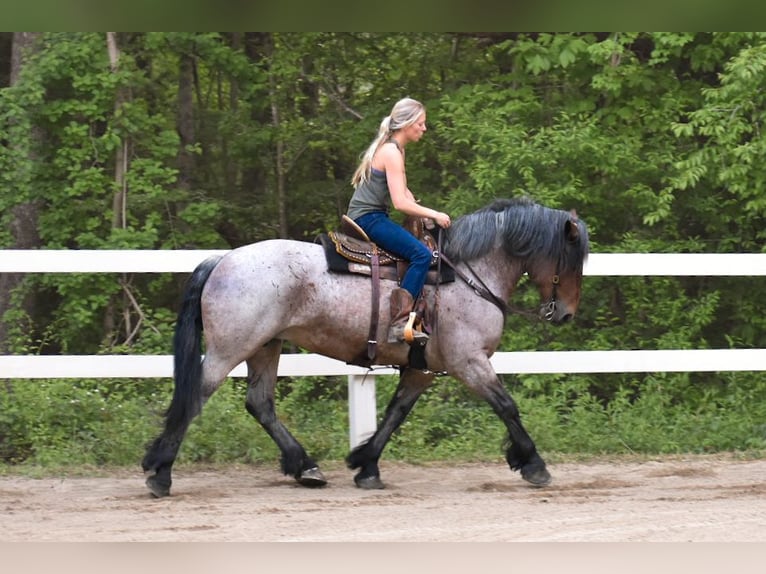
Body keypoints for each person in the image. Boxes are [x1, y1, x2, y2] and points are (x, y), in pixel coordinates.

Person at [346, 97, 451, 344]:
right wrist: (434, 214)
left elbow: (405, 194)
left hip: (372, 215)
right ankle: (400, 322)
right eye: (421, 123)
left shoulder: (396, 149)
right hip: (368, 218)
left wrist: (421, 211)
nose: (424, 128)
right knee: (422, 255)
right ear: (407, 124)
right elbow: (400, 204)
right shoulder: (391, 152)